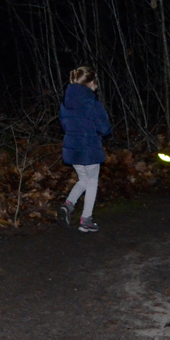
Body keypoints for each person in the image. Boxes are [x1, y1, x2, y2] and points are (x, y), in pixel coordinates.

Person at [56, 65, 112, 233]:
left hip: (72, 148)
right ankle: (86, 220)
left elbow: (64, 124)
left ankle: (68, 205)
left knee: (83, 180)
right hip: (89, 148)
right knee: (92, 181)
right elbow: (104, 128)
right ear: (91, 83)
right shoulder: (92, 103)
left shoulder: (65, 103)